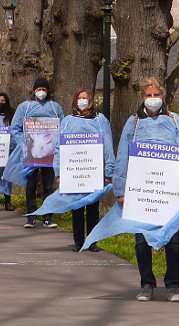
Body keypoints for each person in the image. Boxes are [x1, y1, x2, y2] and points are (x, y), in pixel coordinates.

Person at [107, 77, 179, 302]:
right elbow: (123, 157)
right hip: (141, 192)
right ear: (142, 98)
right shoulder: (133, 123)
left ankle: (172, 285)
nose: (152, 100)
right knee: (141, 241)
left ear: (163, 97)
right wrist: (120, 189)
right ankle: (147, 284)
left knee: (172, 239)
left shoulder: (175, 122)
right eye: (148, 96)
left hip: (170, 191)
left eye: (156, 95)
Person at [54, 88, 115, 251]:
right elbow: (59, 148)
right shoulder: (67, 121)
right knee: (77, 208)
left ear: (91, 100)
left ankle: (92, 241)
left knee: (93, 208)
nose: (82, 100)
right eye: (80, 97)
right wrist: (58, 172)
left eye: (85, 98)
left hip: (94, 172)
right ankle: (78, 241)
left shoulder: (100, 120)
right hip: (74, 173)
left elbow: (108, 146)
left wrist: (108, 171)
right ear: (75, 100)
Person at [3, 77, 64, 228]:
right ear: (33, 90)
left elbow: (63, 128)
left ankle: (48, 216)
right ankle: (31, 216)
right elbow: (15, 128)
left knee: (48, 185)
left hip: (50, 154)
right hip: (31, 153)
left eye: (44, 89)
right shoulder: (25, 107)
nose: (41, 92)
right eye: (39, 89)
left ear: (48, 90)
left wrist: (58, 145)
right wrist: (24, 143)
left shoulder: (55, 107)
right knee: (30, 185)